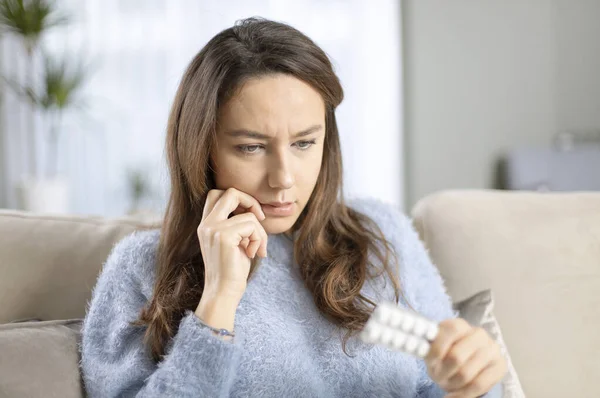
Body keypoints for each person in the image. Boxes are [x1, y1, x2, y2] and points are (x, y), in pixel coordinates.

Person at [80, 17, 507, 397]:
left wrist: (468, 381)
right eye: (251, 147)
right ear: (202, 148)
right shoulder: (142, 268)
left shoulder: (381, 235)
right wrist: (218, 302)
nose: (283, 177)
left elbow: (438, 384)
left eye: (304, 142)